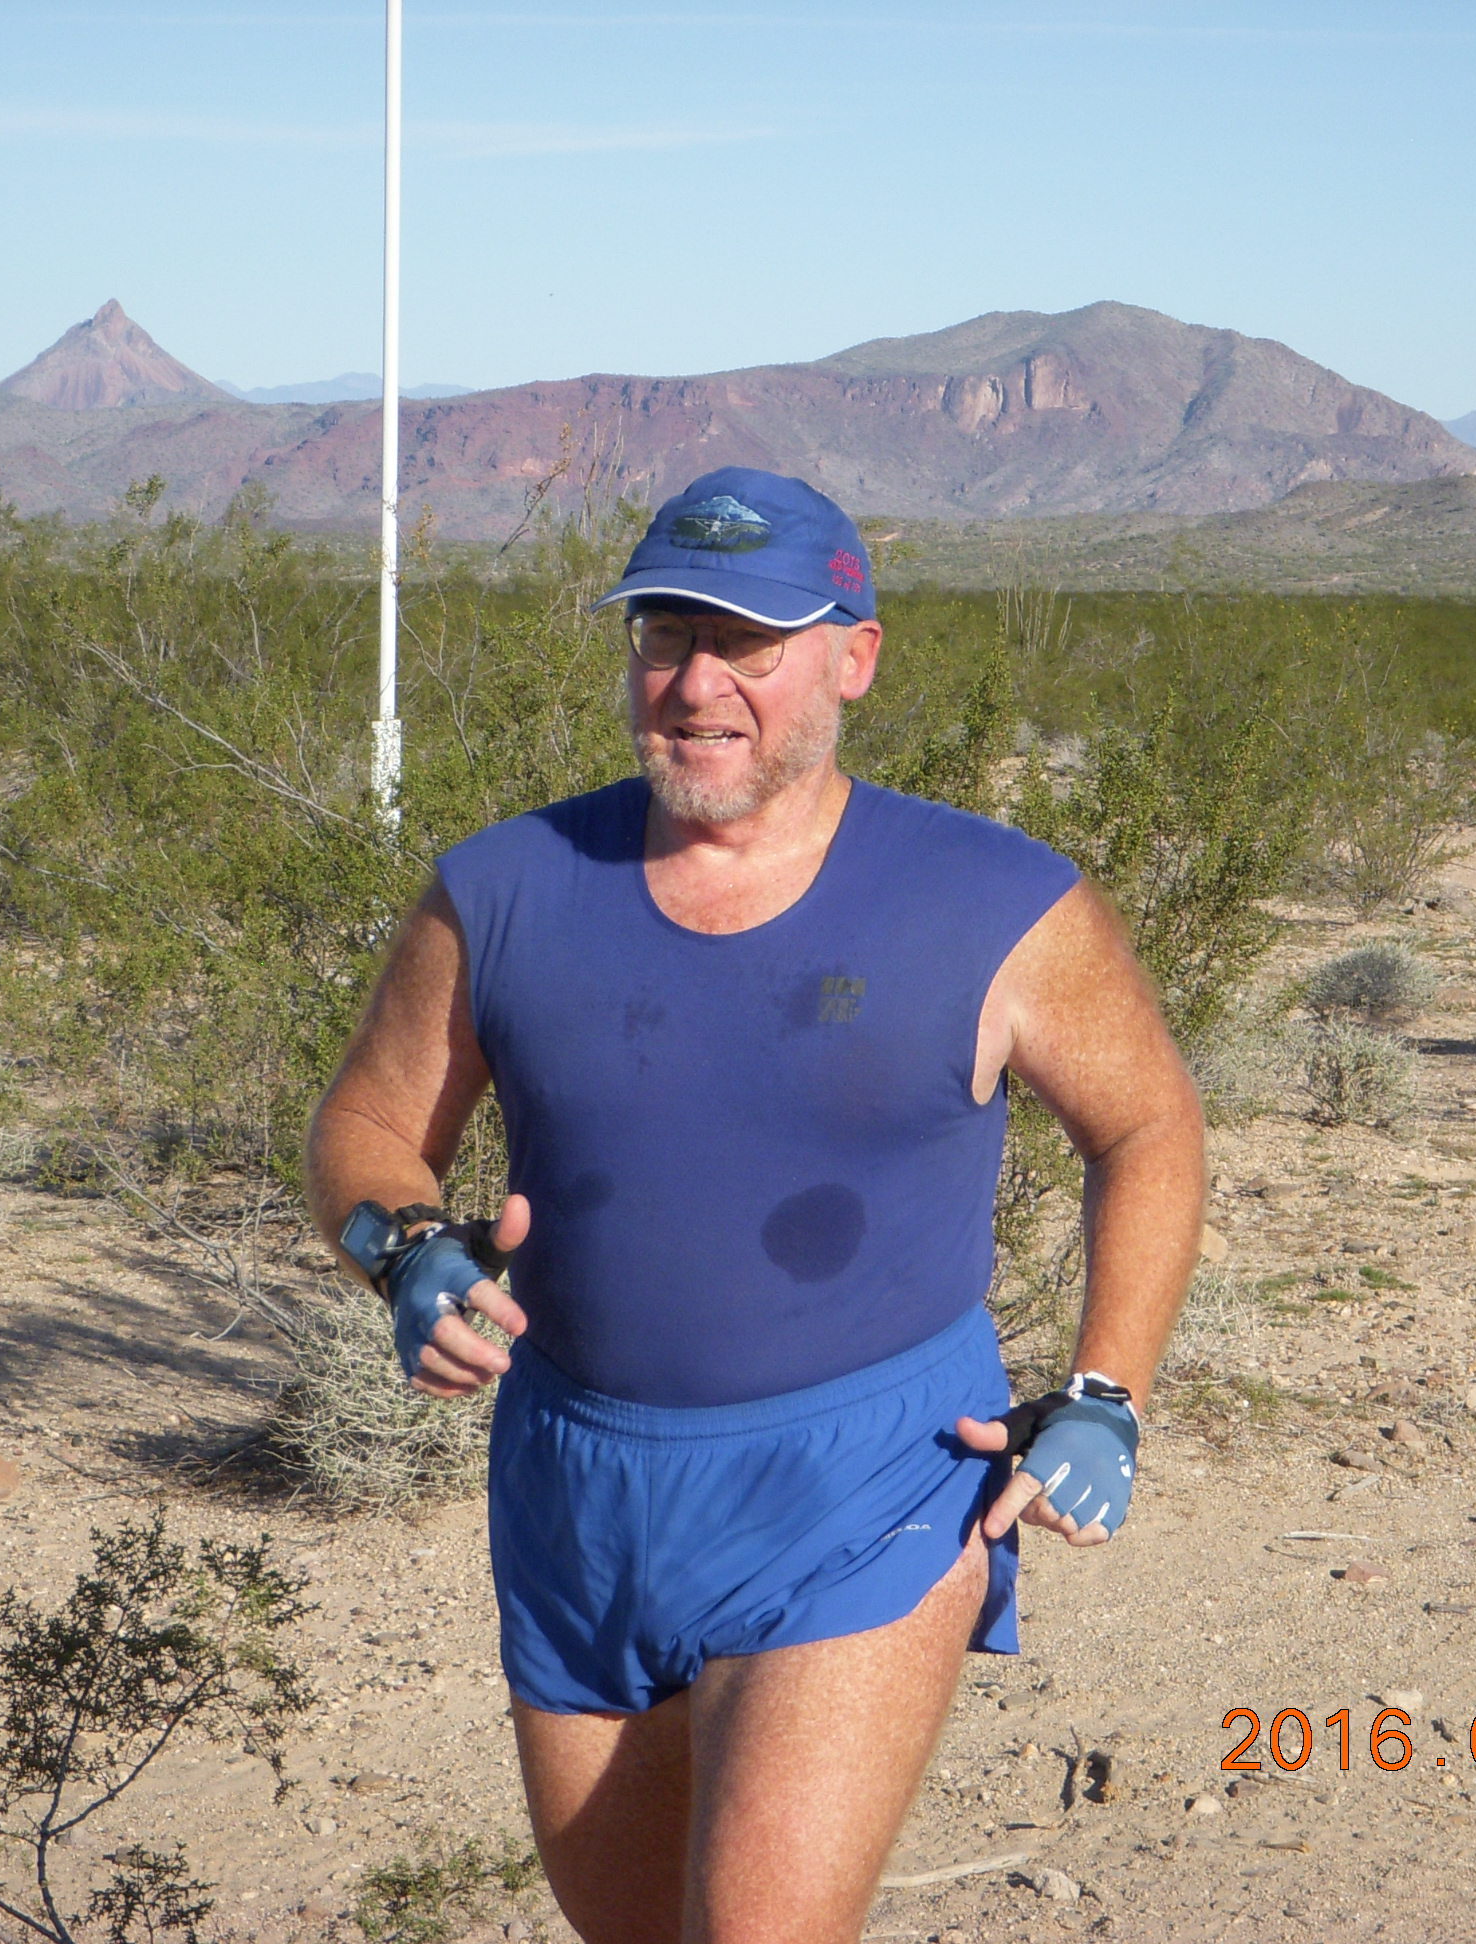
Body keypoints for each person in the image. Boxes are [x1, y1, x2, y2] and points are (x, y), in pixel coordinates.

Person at [306, 466, 1205, 1944]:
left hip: (869, 1478)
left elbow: (1149, 1125)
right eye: (667, 635)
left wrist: (1108, 1391)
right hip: (578, 1489)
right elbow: (365, 1127)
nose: (697, 682)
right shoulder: (504, 888)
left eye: (749, 642)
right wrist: (400, 1251)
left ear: (854, 658)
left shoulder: (997, 901)